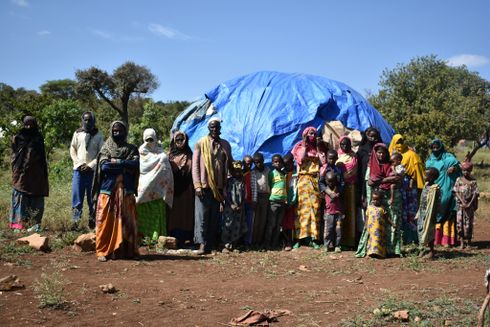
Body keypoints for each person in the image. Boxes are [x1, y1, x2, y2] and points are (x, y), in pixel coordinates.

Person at [92, 121, 139, 262]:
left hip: (126, 191)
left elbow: (135, 164)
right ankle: (103, 251)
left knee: (128, 222)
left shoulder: (132, 149)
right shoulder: (105, 148)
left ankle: (126, 252)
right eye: (115, 131)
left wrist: (117, 162)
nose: (117, 133)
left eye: (120, 131)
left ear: (125, 132)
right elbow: (105, 167)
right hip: (108, 190)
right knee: (105, 222)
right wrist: (125, 165)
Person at [192, 118, 232, 254]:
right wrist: (197, 185)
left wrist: (226, 186)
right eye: (212, 127)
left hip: (219, 188)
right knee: (201, 216)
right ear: (208, 128)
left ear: (220, 128)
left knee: (214, 217)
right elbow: (195, 166)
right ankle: (202, 245)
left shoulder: (225, 145)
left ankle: (210, 244)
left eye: (217, 127)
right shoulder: (200, 143)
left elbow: (229, 165)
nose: (215, 129)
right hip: (203, 186)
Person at [356, 143, 402, 257]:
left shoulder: (390, 164)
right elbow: (370, 181)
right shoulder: (371, 166)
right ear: (375, 153)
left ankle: (392, 249)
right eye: (379, 152)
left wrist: (381, 180)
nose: (381, 155)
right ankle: (373, 248)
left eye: (383, 152)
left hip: (391, 198)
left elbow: (397, 178)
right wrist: (387, 179)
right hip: (376, 198)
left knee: (391, 220)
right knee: (374, 221)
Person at [10, 116, 49, 232]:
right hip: (21, 174)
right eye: (26, 124)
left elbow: (42, 157)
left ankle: (34, 224)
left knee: (36, 198)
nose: (28, 127)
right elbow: (14, 154)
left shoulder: (38, 138)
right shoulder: (18, 137)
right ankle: (19, 225)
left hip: (37, 175)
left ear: (35, 125)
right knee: (20, 196)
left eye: (31, 124)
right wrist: (17, 169)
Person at [135, 128, 174, 243]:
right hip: (144, 189)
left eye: (152, 139)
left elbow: (165, 166)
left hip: (158, 190)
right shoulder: (141, 152)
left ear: (155, 138)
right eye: (147, 139)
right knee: (142, 213)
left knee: (156, 214)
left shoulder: (160, 150)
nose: (149, 141)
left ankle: (155, 238)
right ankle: (142, 238)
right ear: (143, 139)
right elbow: (142, 168)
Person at [291, 126, 326, 249]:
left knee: (315, 209)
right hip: (304, 180)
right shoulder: (299, 147)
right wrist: (305, 144)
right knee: (302, 208)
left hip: (315, 180)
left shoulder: (318, 149)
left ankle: (314, 238)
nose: (312, 136)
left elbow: (323, 162)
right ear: (305, 134)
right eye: (310, 134)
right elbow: (300, 160)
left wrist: (318, 147)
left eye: (314, 134)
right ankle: (299, 237)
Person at [69, 111, 104, 230]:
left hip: (92, 172)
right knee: (76, 198)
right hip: (78, 171)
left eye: (90, 120)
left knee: (92, 198)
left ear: (93, 121)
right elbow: (72, 149)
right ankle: (75, 222)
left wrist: (90, 165)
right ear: (82, 120)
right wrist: (78, 164)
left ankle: (92, 222)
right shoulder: (77, 133)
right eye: (85, 119)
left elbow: (101, 153)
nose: (87, 122)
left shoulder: (99, 135)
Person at [388, 133, 425, 244]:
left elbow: (417, 172)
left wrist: (417, 186)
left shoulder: (412, 155)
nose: (399, 144)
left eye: (401, 141)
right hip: (396, 188)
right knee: (399, 212)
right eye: (397, 142)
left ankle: (412, 238)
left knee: (411, 212)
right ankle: (399, 239)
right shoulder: (389, 154)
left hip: (409, 187)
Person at [425, 139, 461, 247]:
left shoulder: (449, 158)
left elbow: (459, 167)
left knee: (448, 213)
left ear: (441, 147)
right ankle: (435, 240)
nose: (435, 149)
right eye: (433, 148)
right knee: (434, 212)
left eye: (437, 147)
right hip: (435, 189)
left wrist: (454, 168)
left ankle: (447, 241)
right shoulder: (430, 161)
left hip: (447, 188)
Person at [167, 131, 194, 246]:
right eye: (177, 140)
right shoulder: (170, 155)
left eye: (182, 140)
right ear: (174, 141)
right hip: (173, 190)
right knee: (174, 213)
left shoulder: (190, 154)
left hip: (186, 189)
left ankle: (185, 237)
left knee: (185, 212)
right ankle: (173, 236)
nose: (180, 142)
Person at [336, 136, 358, 248]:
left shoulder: (354, 156)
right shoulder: (337, 156)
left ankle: (351, 240)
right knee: (340, 212)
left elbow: (355, 170)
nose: (345, 146)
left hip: (351, 187)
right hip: (339, 187)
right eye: (342, 144)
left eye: (347, 144)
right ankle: (340, 240)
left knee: (350, 212)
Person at [453, 161, 479, 249]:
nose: (465, 172)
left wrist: (470, 204)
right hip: (460, 206)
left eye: (467, 170)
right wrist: (463, 202)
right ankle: (461, 243)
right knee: (459, 224)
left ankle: (468, 244)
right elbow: (456, 192)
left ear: (471, 170)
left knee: (468, 224)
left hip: (469, 206)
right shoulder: (458, 180)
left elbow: (475, 194)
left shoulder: (473, 181)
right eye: (464, 170)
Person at [416, 167, 441, 259]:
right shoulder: (426, 185)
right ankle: (422, 250)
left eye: (425, 175)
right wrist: (419, 211)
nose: (423, 176)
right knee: (420, 230)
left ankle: (431, 251)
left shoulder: (434, 188)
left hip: (430, 214)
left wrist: (433, 215)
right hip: (422, 212)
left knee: (429, 232)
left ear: (431, 178)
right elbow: (422, 199)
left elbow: (435, 203)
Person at [221, 160, 246, 252]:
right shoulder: (228, 182)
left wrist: (241, 205)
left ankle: (234, 244)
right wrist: (231, 204)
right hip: (229, 207)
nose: (238, 173)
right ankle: (225, 245)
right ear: (231, 171)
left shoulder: (242, 182)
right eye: (235, 171)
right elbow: (225, 194)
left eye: (239, 171)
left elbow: (244, 195)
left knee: (237, 225)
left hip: (240, 207)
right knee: (228, 224)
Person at [263, 154, 287, 250]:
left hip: (282, 202)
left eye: (279, 162)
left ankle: (274, 243)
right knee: (271, 224)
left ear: (282, 164)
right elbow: (269, 185)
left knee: (278, 225)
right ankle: (267, 244)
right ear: (272, 163)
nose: (277, 163)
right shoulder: (271, 174)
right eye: (275, 162)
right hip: (273, 201)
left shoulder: (283, 174)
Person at [363, 190, 393, 259]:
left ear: (381, 200)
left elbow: (386, 218)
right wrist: (366, 225)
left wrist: (392, 223)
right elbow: (367, 217)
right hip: (372, 229)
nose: (375, 201)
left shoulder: (382, 209)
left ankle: (379, 254)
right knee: (371, 240)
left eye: (377, 200)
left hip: (380, 229)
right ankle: (370, 253)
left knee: (379, 241)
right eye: (374, 199)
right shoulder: (369, 207)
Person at [319, 171, 344, 252]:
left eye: (332, 181)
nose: (330, 183)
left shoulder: (339, 190)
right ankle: (326, 245)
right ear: (325, 180)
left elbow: (343, 201)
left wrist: (343, 212)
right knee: (328, 231)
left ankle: (337, 246)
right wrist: (324, 213)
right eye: (328, 181)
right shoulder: (324, 191)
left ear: (336, 180)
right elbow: (322, 203)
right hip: (328, 214)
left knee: (338, 231)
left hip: (338, 214)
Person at [251, 152, 270, 246]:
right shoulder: (253, 172)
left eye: (260, 162)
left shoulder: (268, 170)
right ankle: (254, 240)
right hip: (256, 197)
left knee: (263, 219)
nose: (258, 164)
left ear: (263, 161)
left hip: (266, 196)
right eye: (256, 162)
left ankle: (260, 240)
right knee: (256, 220)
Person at [282, 153, 297, 251]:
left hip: (291, 202)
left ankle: (289, 242)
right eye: (285, 164)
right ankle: (283, 240)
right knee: (283, 222)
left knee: (290, 223)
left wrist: (292, 201)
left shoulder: (296, 174)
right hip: (283, 201)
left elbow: (295, 189)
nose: (286, 166)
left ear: (292, 163)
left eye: (288, 164)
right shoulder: (283, 173)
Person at [242, 154, 257, 247]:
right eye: (247, 163)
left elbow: (254, 187)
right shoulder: (239, 173)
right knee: (240, 221)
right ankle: (238, 240)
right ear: (243, 163)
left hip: (250, 201)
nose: (249, 165)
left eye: (251, 164)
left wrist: (254, 200)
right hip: (240, 202)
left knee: (249, 222)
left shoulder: (253, 174)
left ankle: (247, 242)